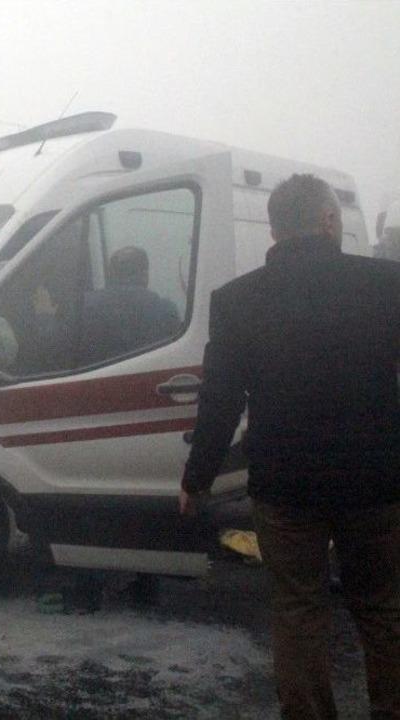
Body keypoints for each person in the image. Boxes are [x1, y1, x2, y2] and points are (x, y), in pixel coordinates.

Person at [180, 174, 400, 719]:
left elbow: (220, 400)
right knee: (382, 608)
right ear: (329, 221)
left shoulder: (236, 300)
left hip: (286, 488)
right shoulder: (388, 285)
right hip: (377, 484)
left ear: (274, 230)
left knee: (298, 609)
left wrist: (196, 479)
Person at [80, 246, 180, 365]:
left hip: (97, 380)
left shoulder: (85, 307)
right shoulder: (166, 310)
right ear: (145, 275)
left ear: (110, 275)